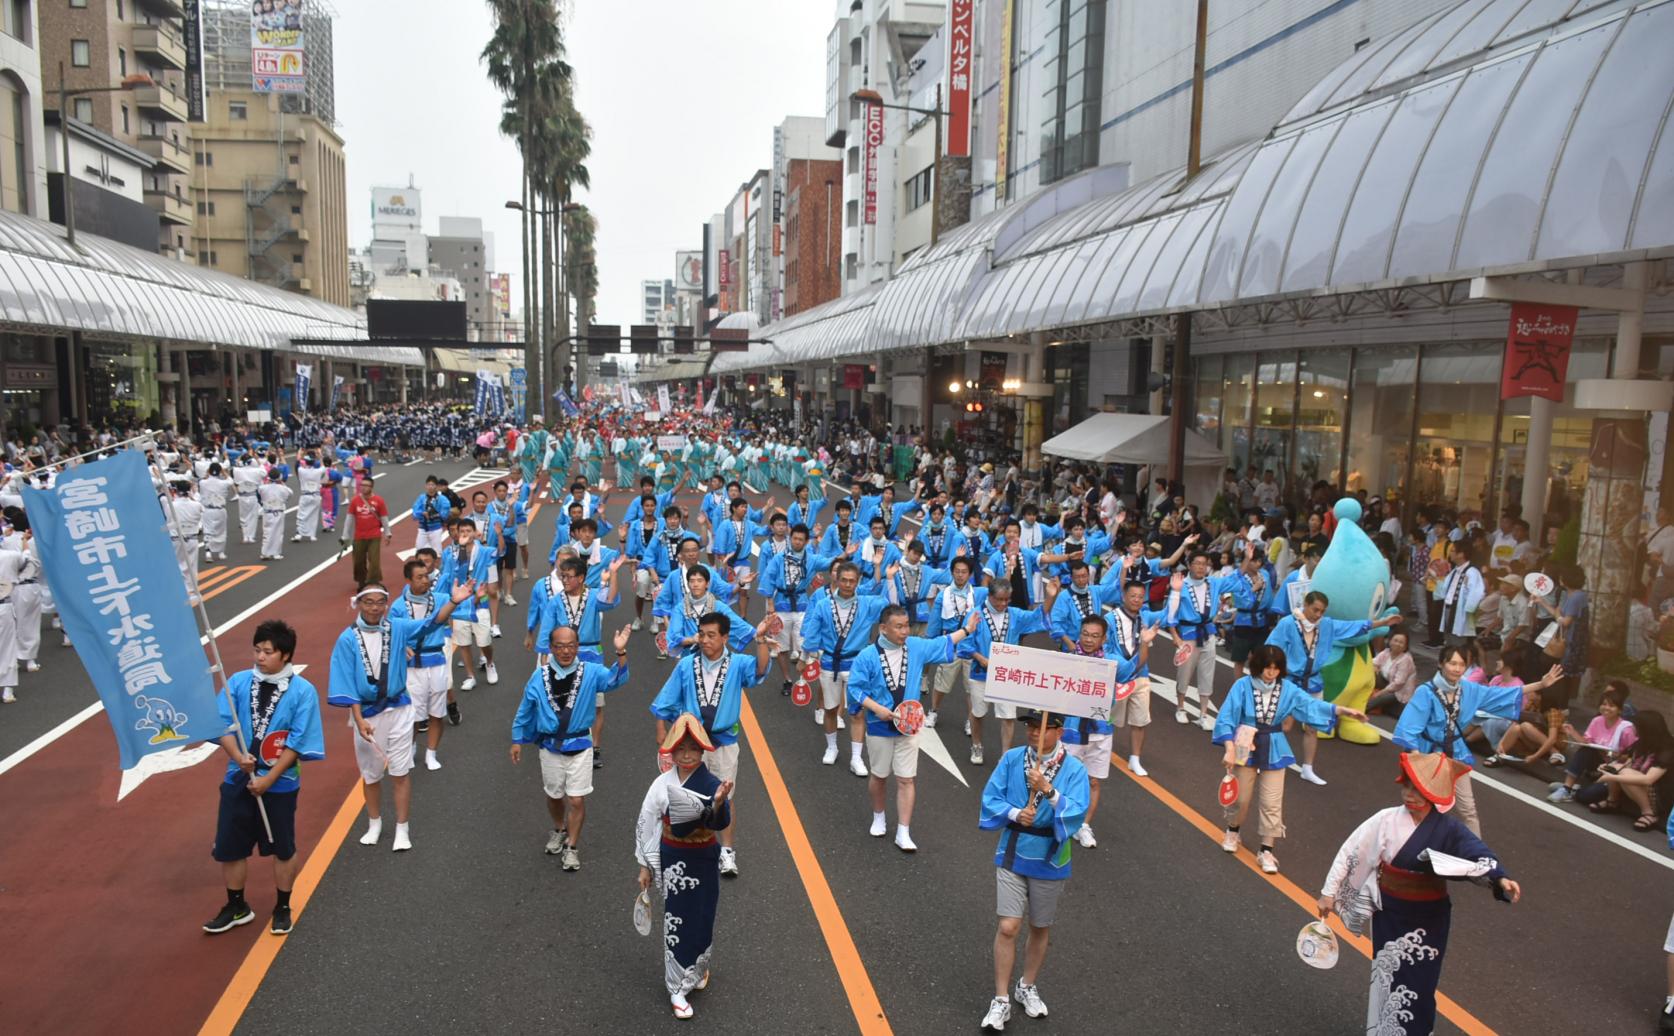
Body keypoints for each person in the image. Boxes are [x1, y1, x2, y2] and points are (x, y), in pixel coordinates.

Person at [1317, 752, 1522, 1036]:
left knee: (1421, 981)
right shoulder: (1386, 820)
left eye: (1417, 789)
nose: (1409, 794)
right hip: (1390, 912)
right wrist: (1329, 892)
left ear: (1433, 795)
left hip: (1429, 916)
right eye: (1406, 786)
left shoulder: (1450, 829)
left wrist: (1501, 877)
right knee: (1386, 974)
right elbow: (1352, 851)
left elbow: (1476, 853)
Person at [327, 578, 473, 852]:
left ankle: (402, 829)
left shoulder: (397, 628)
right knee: (370, 774)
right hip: (367, 714)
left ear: (386, 604)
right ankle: (374, 823)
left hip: (399, 708)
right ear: (358, 604)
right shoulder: (347, 640)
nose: (374, 608)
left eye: (380, 602)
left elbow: (430, 623)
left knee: (400, 771)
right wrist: (358, 720)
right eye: (368, 602)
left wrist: (454, 601)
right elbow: (346, 682)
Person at [203, 620, 324, 937]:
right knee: (230, 847)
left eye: (267, 652)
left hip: (280, 783)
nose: (259, 657)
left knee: (283, 847)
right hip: (237, 778)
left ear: (285, 655)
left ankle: (283, 906)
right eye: (257, 650)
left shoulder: (302, 691)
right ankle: (236, 905)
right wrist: (239, 758)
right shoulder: (239, 682)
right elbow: (223, 724)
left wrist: (269, 779)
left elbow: (298, 741)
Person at [977, 709, 1090, 1032]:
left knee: (1040, 926)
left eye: (1041, 728)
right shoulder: (1013, 759)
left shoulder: (1075, 769)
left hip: (1051, 856)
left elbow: (1078, 811)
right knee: (1009, 926)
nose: (1033, 732)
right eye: (1029, 726)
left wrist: (1049, 791)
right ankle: (1000, 1000)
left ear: (1059, 731)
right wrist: (1014, 812)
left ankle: (1026, 985)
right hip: (1013, 848)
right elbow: (990, 797)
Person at [1212, 644, 1366, 873]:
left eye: (1275, 668)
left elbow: (1310, 705)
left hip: (1275, 745)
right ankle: (1233, 830)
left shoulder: (1288, 690)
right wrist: (1229, 747)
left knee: (1272, 801)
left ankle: (1267, 850)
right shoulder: (1241, 686)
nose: (1270, 673)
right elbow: (1226, 717)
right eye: (1267, 667)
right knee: (1241, 797)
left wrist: (1342, 711)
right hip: (1245, 744)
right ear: (1258, 666)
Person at [649, 610, 778, 877]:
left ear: (725, 637)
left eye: (711, 635)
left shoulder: (739, 663)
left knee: (724, 797)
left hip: (724, 740)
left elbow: (761, 669)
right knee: (686, 795)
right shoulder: (686, 665)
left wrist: (761, 639)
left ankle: (727, 851)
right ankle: (690, 847)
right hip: (690, 741)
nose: (705, 640)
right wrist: (661, 729)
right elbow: (667, 698)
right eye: (702, 634)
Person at [847, 603, 980, 852]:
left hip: (909, 725)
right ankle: (879, 816)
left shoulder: (915, 647)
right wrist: (876, 709)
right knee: (879, 776)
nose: (905, 631)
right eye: (899, 627)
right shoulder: (867, 655)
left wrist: (967, 630)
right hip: (879, 725)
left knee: (907, 779)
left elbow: (942, 642)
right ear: (883, 628)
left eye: (906, 625)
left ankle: (903, 831)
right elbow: (855, 688)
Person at [1393, 645, 1562, 835]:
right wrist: (1418, 762)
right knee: (1420, 804)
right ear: (1441, 664)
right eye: (1452, 663)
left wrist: (1540, 684)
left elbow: (1500, 694)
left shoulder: (1469, 689)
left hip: (1456, 752)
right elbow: (1410, 726)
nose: (1457, 668)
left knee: (1469, 810)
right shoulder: (1425, 692)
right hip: (1427, 754)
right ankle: (1407, 844)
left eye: (1462, 664)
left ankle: (1476, 856)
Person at [634, 713, 735, 1019]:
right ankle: (676, 986)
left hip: (704, 857)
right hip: (674, 859)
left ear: (702, 750)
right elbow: (647, 822)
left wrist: (718, 803)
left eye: (693, 748)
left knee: (703, 915)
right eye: (680, 749)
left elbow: (721, 822)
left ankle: (698, 967)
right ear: (672, 752)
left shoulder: (713, 783)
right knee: (677, 918)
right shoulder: (661, 784)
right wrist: (645, 866)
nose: (687, 754)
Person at [509, 623, 631, 871]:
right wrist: (517, 739)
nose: (566, 651)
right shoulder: (539, 676)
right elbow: (525, 708)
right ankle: (558, 828)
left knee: (576, 799)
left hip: (580, 745)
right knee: (554, 795)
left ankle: (572, 847)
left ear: (578, 647)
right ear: (551, 648)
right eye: (560, 646)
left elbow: (615, 680)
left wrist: (621, 652)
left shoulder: (591, 671)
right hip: (550, 746)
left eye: (571, 646)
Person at [1265, 590, 1399, 785]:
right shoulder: (1287, 623)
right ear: (1305, 604)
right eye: (1315, 610)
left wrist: (1383, 622)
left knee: (1312, 727)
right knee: (1283, 725)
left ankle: (1308, 768)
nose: (1318, 615)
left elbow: (1354, 627)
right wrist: (1272, 674)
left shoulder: (1326, 625)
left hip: (1313, 681)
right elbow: (1271, 649)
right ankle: (1265, 756)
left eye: (1322, 611)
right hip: (1290, 682)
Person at [1061, 613, 1154, 848]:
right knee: (1063, 779)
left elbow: (1135, 666)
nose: (1089, 640)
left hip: (1101, 730)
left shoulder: (1112, 662)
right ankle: (1059, 821)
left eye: (1095, 636)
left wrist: (1144, 643)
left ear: (1104, 639)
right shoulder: (1068, 660)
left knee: (1093, 781)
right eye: (1085, 634)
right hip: (1072, 730)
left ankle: (1083, 825)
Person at [801, 560, 890, 774]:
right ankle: (832, 747)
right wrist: (804, 658)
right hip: (830, 662)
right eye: (844, 580)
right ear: (836, 579)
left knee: (857, 713)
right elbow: (812, 633)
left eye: (852, 581)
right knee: (830, 709)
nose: (848, 584)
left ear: (858, 582)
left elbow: (890, 604)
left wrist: (891, 578)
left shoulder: (867, 603)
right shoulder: (823, 604)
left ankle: (857, 758)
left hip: (856, 664)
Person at [389, 559, 452, 770]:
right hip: (412, 667)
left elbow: (460, 607)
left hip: (436, 662)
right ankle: (411, 746)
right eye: (420, 577)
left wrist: (474, 598)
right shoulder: (398, 607)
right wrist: (400, 646)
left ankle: (431, 753)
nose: (425, 580)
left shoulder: (441, 599)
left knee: (437, 711)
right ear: (408, 580)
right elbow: (390, 634)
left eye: (426, 576)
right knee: (412, 714)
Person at [1546, 682, 1635, 803]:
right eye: (1604, 704)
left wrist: (1615, 755)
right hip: (1596, 762)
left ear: (1619, 710)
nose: (1606, 708)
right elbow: (1586, 742)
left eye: (1612, 706)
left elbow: (1631, 756)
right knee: (1585, 750)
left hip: (1613, 768)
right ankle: (1566, 788)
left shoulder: (1626, 729)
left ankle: (1574, 791)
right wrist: (1573, 732)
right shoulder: (1597, 721)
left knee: (1588, 797)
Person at [343, 475, 392, 587]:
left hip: (374, 535)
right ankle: (361, 580)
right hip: (359, 536)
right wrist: (345, 535)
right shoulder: (355, 500)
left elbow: (384, 517)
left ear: (372, 487)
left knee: (374, 560)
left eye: (366, 485)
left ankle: (372, 581)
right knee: (358, 561)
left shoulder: (378, 501)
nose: (363, 488)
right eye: (362, 485)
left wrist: (387, 533)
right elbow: (349, 518)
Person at [1367, 630, 1419, 718]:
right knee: (1369, 673)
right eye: (1395, 640)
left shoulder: (1406, 660)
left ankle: (1361, 707)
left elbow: (1398, 683)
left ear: (1405, 646)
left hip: (1399, 692)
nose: (1397, 644)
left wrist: (1380, 693)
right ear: (1390, 641)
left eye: (1401, 642)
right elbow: (1372, 662)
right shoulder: (1387, 652)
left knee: (1377, 699)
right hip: (1387, 684)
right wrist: (1375, 666)